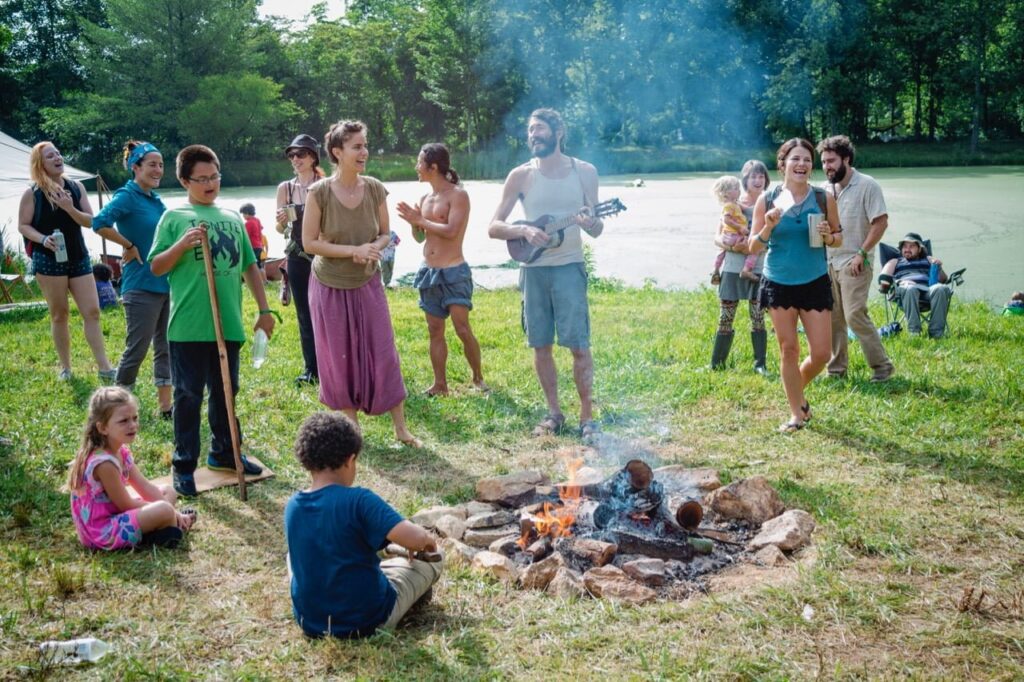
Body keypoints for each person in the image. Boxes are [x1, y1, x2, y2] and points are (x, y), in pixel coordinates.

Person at [149, 144, 276, 497]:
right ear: (184, 180)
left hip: (229, 323)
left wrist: (264, 311)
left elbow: (250, 266)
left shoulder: (233, 218)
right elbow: (156, 266)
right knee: (188, 395)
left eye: (214, 177)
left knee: (226, 392)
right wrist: (183, 244)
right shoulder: (174, 218)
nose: (209, 184)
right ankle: (184, 464)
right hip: (189, 325)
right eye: (201, 179)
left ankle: (224, 453)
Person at [302, 120, 420, 447]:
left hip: (368, 282)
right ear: (337, 153)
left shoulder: (374, 188)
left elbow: (385, 233)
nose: (364, 151)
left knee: (383, 351)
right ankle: (353, 433)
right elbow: (309, 243)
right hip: (329, 285)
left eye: (365, 145)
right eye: (357, 146)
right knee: (338, 357)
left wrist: (373, 249)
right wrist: (351, 250)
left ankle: (401, 428)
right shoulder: (319, 192)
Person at [488, 108, 603, 440]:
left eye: (538, 129)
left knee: (579, 345)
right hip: (533, 270)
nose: (532, 135)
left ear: (558, 132)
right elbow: (495, 227)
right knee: (541, 345)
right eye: (529, 130)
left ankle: (586, 417)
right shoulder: (521, 175)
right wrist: (523, 233)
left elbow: (596, 228)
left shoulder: (584, 172)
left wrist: (588, 222)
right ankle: (554, 413)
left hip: (569, 268)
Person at [284, 411, 442, 638]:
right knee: (437, 559)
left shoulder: (292, 506)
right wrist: (428, 541)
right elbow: (419, 540)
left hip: (310, 622)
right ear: (350, 460)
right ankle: (413, 597)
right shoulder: (359, 500)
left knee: (291, 557)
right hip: (367, 620)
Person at [748, 139, 842, 433]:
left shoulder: (823, 198)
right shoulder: (768, 199)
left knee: (822, 354)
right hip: (779, 282)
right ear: (783, 164)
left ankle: (794, 391)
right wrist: (768, 226)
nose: (802, 165)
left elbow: (838, 237)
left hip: (814, 281)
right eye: (795, 159)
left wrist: (828, 236)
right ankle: (796, 414)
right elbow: (752, 246)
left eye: (807, 160)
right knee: (788, 349)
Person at [17, 142, 116, 382]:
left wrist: (68, 208)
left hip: (78, 256)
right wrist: (43, 239)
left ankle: (105, 367)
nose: (57, 157)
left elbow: (90, 222)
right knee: (59, 314)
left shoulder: (76, 187)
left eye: (58, 153)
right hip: (49, 259)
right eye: (50, 156)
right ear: (41, 164)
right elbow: (23, 225)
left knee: (92, 312)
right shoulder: (33, 193)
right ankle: (66, 368)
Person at [397, 143, 486, 396]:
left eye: (419, 163)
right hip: (430, 273)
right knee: (435, 330)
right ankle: (440, 385)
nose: (416, 167)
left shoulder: (458, 195)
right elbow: (420, 238)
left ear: (432, 167)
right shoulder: (425, 199)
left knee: (462, 328)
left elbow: (452, 231)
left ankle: (478, 378)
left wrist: (420, 220)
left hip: (454, 272)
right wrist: (414, 225)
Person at [91, 140, 173, 416]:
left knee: (166, 346)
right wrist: (127, 245)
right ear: (135, 167)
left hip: (166, 283)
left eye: (161, 165)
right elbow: (99, 222)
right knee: (137, 349)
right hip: (141, 285)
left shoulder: (155, 199)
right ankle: (113, 408)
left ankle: (166, 407)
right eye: (152, 164)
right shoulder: (127, 196)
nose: (158, 170)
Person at [69, 387, 197, 550]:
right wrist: (171, 511)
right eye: (124, 421)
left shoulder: (120, 451)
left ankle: (168, 526)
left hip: (117, 514)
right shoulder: (104, 464)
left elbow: (144, 486)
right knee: (164, 509)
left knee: (168, 491)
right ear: (102, 428)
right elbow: (126, 504)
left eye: (135, 418)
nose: (133, 425)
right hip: (103, 532)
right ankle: (163, 531)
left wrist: (171, 511)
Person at [818, 135, 895, 382]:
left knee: (854, 315)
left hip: (855, 261)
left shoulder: (867, 185)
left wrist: (862, 253)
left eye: (831, 161)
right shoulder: (824, 189)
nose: (827, 166)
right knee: (833, 318)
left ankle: (882, 367)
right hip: (828, 261)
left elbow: (881, 222)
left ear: (846, 159)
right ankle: (836, 370)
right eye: (823, 162)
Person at [711, 160, 770, 374]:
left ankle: (760, 364)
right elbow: (717, 237)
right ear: (744, 180)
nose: (757, 180)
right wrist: (731, 246)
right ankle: (717, 364)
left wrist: (751, 249)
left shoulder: (771, 203)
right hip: (732, 268)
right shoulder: (732, 203)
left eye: (761, 176)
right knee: (726, 316)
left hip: (758, 268)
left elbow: (771, 240)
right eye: (753, 176)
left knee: (758, 316)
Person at [275, 134, 325, 386]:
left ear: (313, 156)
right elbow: (278, 229)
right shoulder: (285, 188)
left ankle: (333, 364)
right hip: (297, 255)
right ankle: (311, 369)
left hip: (326, 255)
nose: (295, 159)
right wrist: (282, 221)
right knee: (304, 313)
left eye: (301, 154)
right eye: (291, 155)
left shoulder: (326, 184)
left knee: (328, 310)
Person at [878, 232, 953, 338]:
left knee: (941, 288)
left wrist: (938, 267)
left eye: (912, 246)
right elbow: (884, 278)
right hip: (905, 290)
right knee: (911, 288)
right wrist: (900, 282)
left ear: (920, 249)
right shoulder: (895, 261)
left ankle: (937, 333)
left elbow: (943, 279)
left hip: (927, 291)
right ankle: (914, 332)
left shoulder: (928, 260)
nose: (907, 249)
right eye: (905, 246)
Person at [710, 175, 757, 285]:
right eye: (735, 188)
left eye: (738, 187)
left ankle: (716, 269)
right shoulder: (729, 206)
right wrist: (740, 227)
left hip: (727, 236)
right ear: (725, 193)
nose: (739, 190)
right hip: (735, 235)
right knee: (754, 250)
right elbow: (726, 220)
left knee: (722, 250)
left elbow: (747, 209)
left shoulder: (735, 204)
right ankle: (746, 270)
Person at [240, 203, 267, 283]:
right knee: (259, 265)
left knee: (252, 265)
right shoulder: (257, 220)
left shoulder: (248, 223)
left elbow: (245, 236)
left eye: (244, 214)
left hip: (253, 247)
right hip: (259, 246)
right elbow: (260, 229)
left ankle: (257, 281)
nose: (243, 216)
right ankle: (265, 281)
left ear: (248, 213)